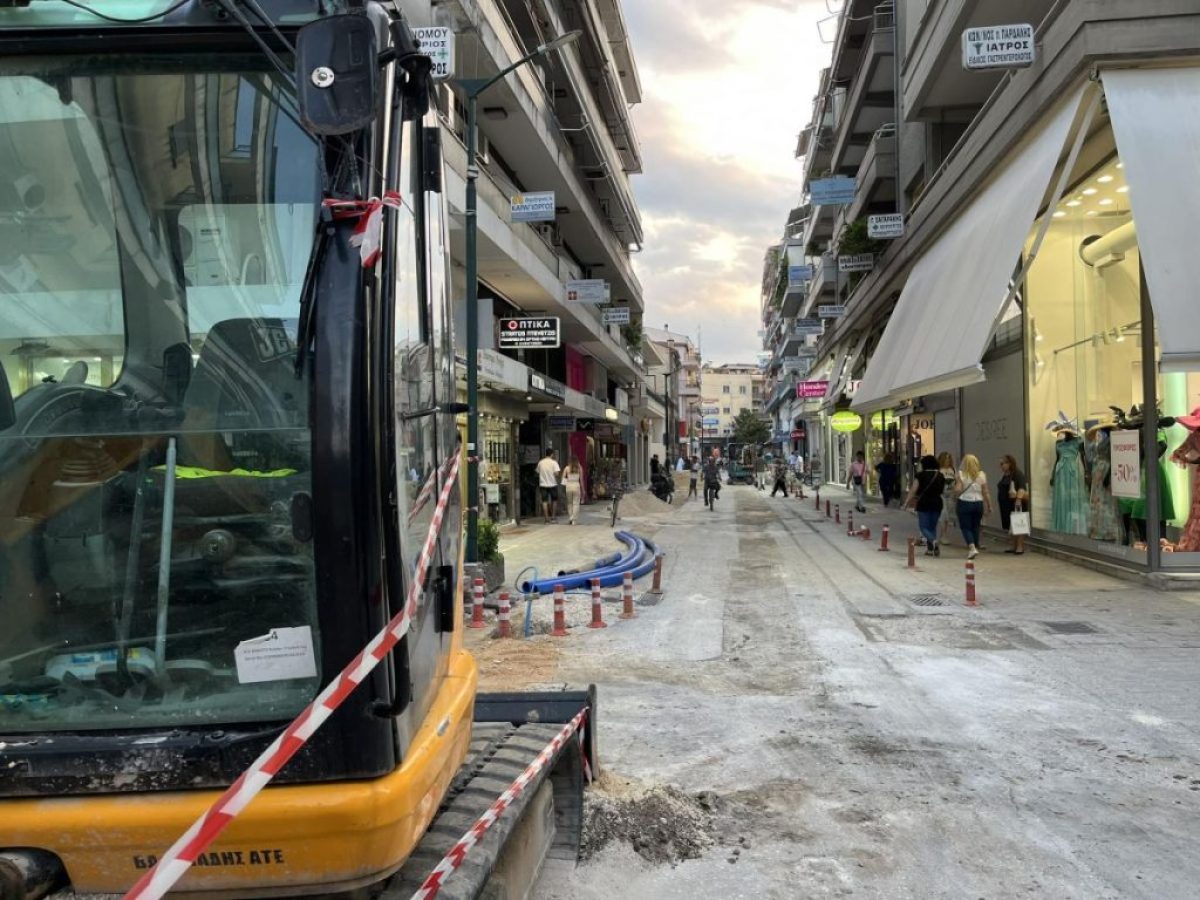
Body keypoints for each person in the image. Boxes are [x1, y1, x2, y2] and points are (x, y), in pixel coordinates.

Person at [905, 454, 946, 556]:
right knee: (932, 527)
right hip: (937, 502)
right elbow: (943, 490)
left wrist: (906, 502)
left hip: (924, 502)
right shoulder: (940, 475)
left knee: (923, 527)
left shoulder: (920, 475)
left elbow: (913, 490)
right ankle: (930, 549)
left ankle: (933, 541)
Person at [955, 453, 991, 560]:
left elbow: (957, 489)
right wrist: (989, 505)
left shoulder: (961, 474)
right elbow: (986, 492)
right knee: (976, 526)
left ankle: (972, 547)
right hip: (978, 503)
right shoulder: (982, 475)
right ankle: (975, 545)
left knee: (965, 526)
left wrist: (955, 491)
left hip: (965, 502)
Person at [997, 454, 1029, 554]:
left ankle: (1020, 546)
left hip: (1016, 504)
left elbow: (1022, 488)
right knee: (1011, 525)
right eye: (1000, 464)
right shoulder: (1006, 475)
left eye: (1002, 464)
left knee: (1019, 524)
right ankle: (1013, 545)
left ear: (1009, 463)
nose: (1001, 466)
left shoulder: (1017, 474)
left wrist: (1018, 500)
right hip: (1006, 505)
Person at [937, 452, 957, 546]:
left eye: (949, 459)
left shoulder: (952, 469)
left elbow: (956, 481)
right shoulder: (939, 470)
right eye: (946, 459)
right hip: (941, 494)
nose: (947, 461)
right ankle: (943, 535)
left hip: (950, 494)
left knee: (947, 515)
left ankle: (943, 534)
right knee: (943, 513)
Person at [536, 448, 561, 524]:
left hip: (543, 484)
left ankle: (546, 519)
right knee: (554, 500)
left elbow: (537, 472)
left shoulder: (541, 462)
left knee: (544, 501)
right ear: (552, 454)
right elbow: (557, 474)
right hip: (552, 484)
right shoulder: (554, 463)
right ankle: (553, 518)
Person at [562, 455, 583, 525]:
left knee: (569, 503)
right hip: (576, 486)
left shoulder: (566, 468)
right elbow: (581, 480)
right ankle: (574, 520)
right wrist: (583, 489)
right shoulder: (579, 468)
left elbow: (563, 479)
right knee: (576, 503)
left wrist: (565, 487)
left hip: (568, 486)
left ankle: (571, 517)